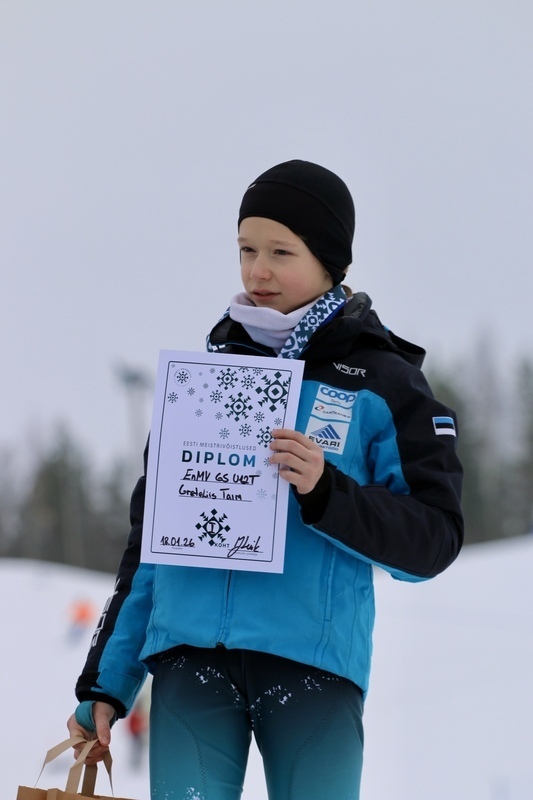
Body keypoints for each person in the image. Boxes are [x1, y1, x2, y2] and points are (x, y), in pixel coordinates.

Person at [67, 160, 463, 799]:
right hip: (190, 659)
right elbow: (148, 551)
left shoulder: (384, 383)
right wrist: (105, 685)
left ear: (329, 259)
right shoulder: (201, 381)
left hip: (311, 665)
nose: (258, 271)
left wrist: (328, 493)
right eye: (246, 249)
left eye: (281, 251)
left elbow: (434, 539)